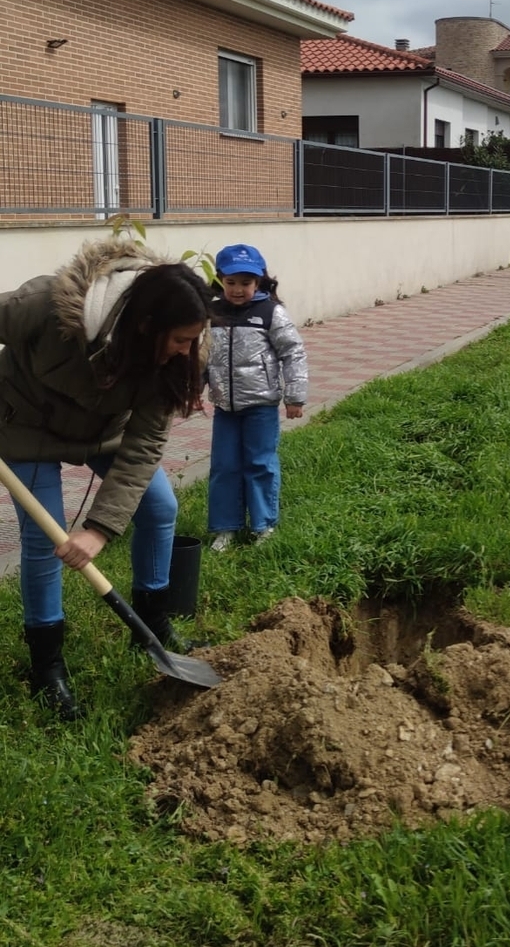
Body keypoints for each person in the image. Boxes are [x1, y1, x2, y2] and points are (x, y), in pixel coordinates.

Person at [0, 240, 213, 719]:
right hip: (26, 426)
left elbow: (144, 446)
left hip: (105, 433)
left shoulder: (183, 356)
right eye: (180, 339)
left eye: (193, 339)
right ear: (146, 325)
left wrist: (99, 529)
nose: (187, 350)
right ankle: (47, 665)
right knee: (44, 538)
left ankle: (152, 625)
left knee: (160, 507)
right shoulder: (47, 306)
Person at [206, 244, 308, 553]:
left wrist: (295, 396)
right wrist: (192, 391)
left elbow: (293, 352)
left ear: (259, 281)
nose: (238, 290)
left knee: (260, 464)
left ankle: (263, 525)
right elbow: (201, 355)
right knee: (223, 466)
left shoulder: (270, 312)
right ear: (220, 280)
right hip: (225, 407)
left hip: (261, 406)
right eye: (231, 282)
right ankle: (226, 527)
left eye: (246, 283)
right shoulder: (212, 312)